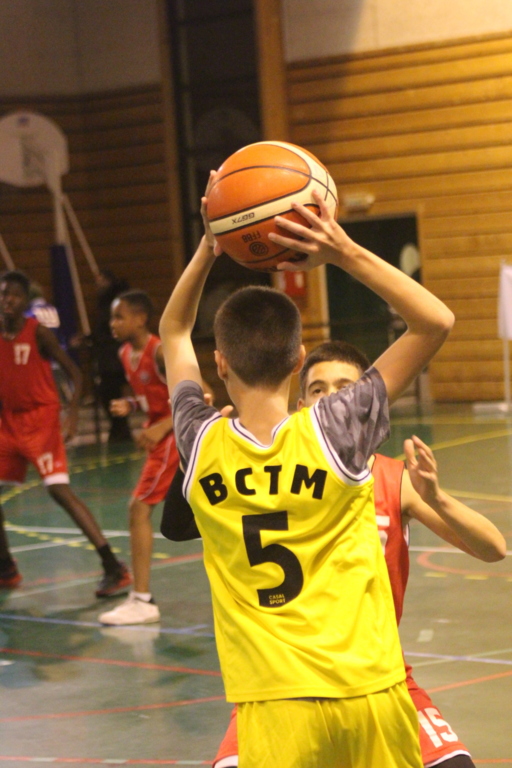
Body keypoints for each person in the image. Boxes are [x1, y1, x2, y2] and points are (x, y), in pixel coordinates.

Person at [158, 173, 454, 768]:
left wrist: (210, 245)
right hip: (370, 691)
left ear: (221, 363)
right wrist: (341, 250)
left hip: (274, 705)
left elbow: (173, 330)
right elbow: (434, 321)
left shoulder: (199, 442)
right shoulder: (337, 430)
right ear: (299, 359)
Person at [197, 340, 505, 768]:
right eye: (318, 389)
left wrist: (436, 496)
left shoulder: (391, 478)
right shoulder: (255, 475)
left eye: (345, 388)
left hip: (376, 678)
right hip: (278, 687)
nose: (331, 398)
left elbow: (494, 548)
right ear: (300, 404)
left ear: (367, 402)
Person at [0, 270, 131, 596]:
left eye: (14, 295)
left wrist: (71, 413)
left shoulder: (38, 332)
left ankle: (113, 566)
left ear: (26, 301)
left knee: (59, 491)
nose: (7, 300)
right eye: (3, 294)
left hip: (40, 419)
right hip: (9, 422)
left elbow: (75, 372)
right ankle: (6, 568)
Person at [98, 290, 180, 626]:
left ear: (141, 319)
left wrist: (162, 426)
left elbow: (202, 393)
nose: (113, 323)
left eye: (119, 316)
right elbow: (153, 398)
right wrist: (131, 405)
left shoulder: (160, 352)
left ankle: (142, 600)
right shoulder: (125, 354)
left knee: (139, 508)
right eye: (112, 317)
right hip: (162, 438)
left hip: (174, 438)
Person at [91, 269, 132, 443]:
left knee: (113, 392)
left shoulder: (116, 302)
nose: (98, 284)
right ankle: (118, 428)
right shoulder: (103, 304)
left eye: (102, 280)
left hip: (114, 358)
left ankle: (121, 429)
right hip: (106, 357)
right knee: (107, 394)